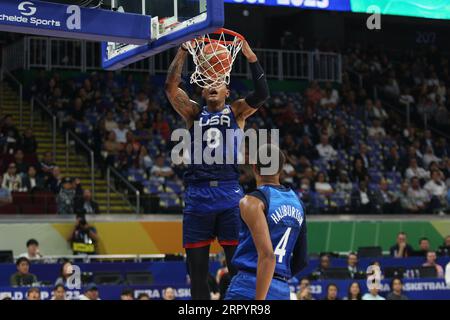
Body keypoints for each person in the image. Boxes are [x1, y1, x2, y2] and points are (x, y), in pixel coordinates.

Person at [165, 39, 269, 300]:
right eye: (208, 83)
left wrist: (251, 56)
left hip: (229, 194)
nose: (213, 85)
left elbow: (262, 93)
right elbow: (170, 87)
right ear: (201, 92)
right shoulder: (192, 113)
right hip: (198, 195)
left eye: (218, 82)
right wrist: (182, 51)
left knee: (238, 269)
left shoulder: (238, 112)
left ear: (227, 91)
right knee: (197, 273)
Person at [225, 145, 308, 300]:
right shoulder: (298, 203)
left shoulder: (252, 201)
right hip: (281, 288)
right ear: (281, 169)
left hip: (250, 286)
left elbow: (268, 255)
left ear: (255, 167)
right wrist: (278, 278)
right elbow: (302, 259)